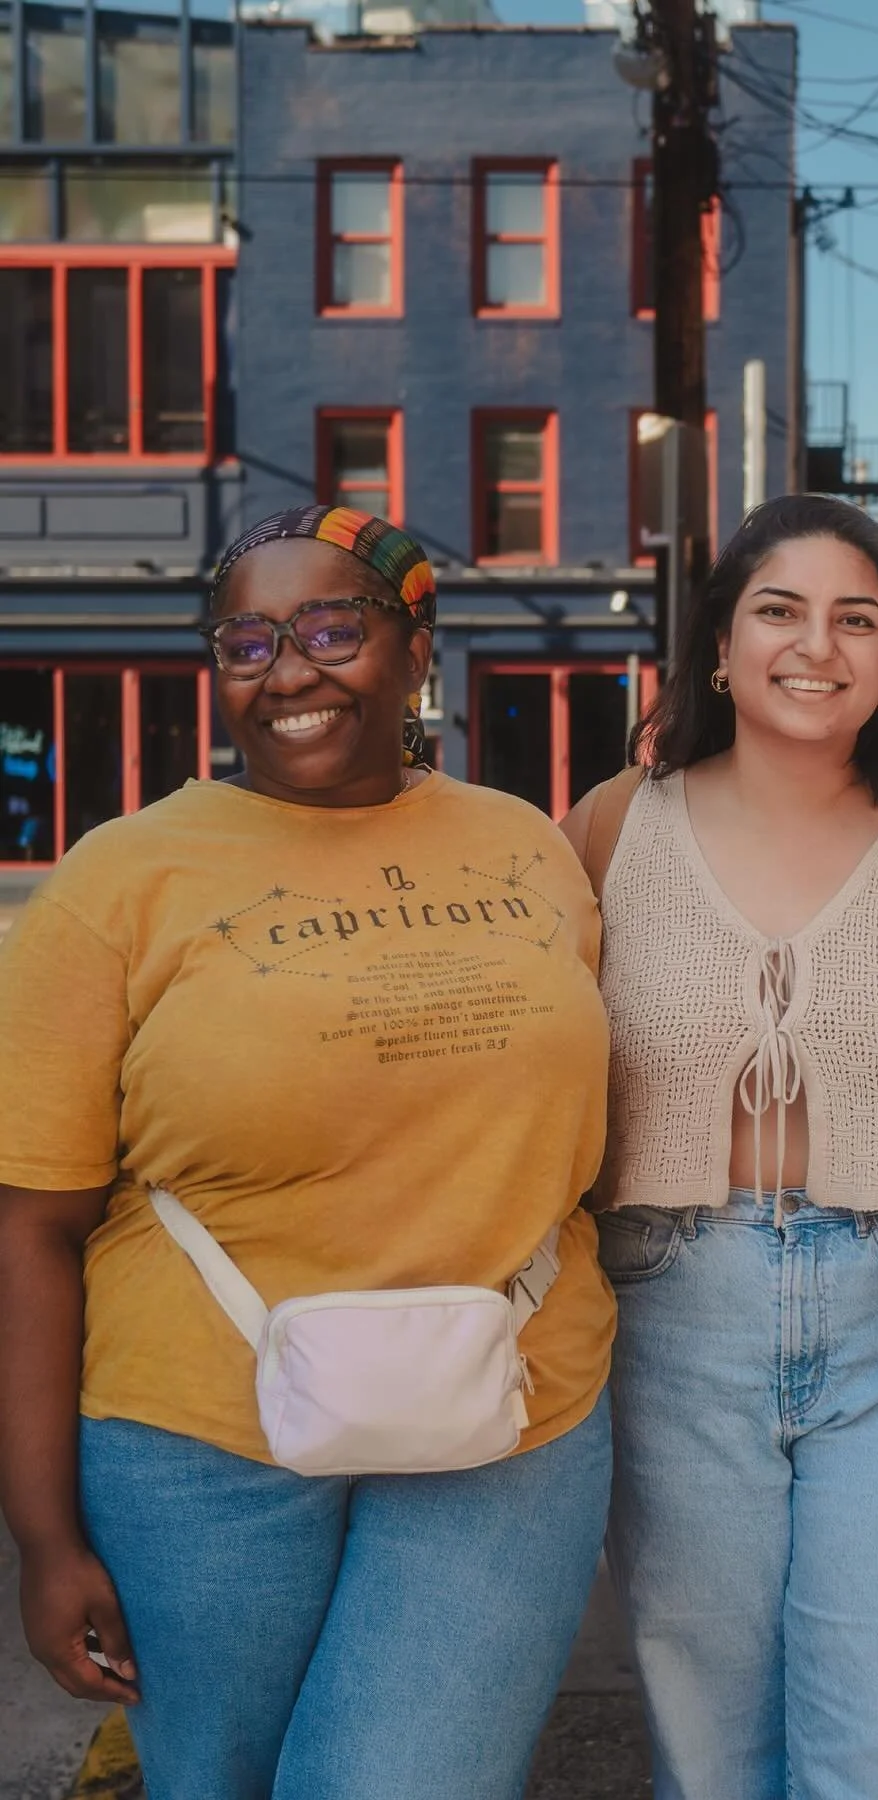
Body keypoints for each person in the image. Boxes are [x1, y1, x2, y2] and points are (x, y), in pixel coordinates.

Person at [0, 507, 614, 1800]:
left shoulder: (527, 848)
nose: (290, 670)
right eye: (250, 640)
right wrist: (45, 1538)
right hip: (203, 1436)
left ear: (415, 645)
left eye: (335, 626)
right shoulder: (117, 884)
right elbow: (33, 1230)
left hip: (514, 1402)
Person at [561, 494, 878, 1800]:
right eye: (781, 609)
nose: (818, 644)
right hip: (668, 1312)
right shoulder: (607, 827)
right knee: (710, 1744)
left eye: (857, 620)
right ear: (715, 646)